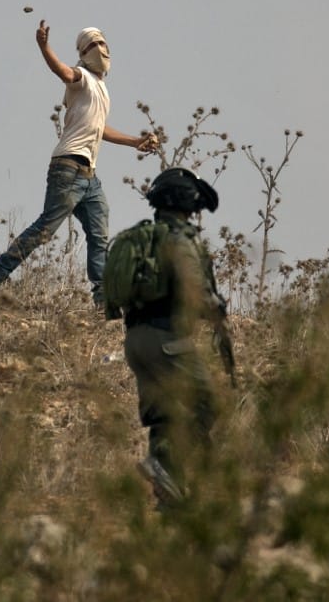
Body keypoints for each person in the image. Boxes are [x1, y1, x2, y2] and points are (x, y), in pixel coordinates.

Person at [0, 19, 158, 305]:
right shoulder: (83, 77)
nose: (100, 48)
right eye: (93, 45)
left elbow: (100, 129)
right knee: (44, 230)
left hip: (89, 176)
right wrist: (44, 46)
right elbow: (62, 71)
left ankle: (103, 299)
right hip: (68, 168)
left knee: (99, 234)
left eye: (102, 42)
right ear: (83, 53)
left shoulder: (101, 88)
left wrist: (135, 141)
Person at [104, 167, 231, 508]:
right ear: (187, 203)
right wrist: (215, 308)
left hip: (136, 341)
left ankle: (168, 499)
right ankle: (171, 470)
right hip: (167, 339)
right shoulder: (180, 240)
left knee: (165, 416)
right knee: (208, 400)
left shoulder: (142, 236)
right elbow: (195, 291)